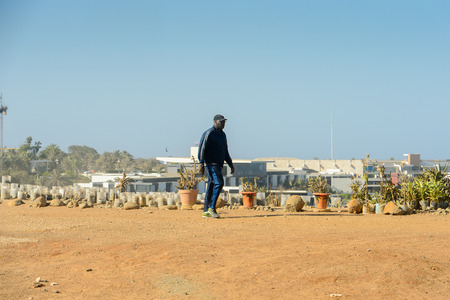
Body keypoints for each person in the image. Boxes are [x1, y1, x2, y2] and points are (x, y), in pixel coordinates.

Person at [198, 114, 235, 218]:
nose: (223, 124)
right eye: (221, 122)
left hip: (219, 164)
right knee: (219, 183)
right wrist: (201, 163)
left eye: (224, 122)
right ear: (215, 122)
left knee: (211, 185)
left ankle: (206, 210)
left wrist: (230, 164)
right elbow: (202, 148)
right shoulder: (209, 133)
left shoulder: (223, 135)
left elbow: (225, 151)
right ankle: (212, 208)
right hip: (211, 163)